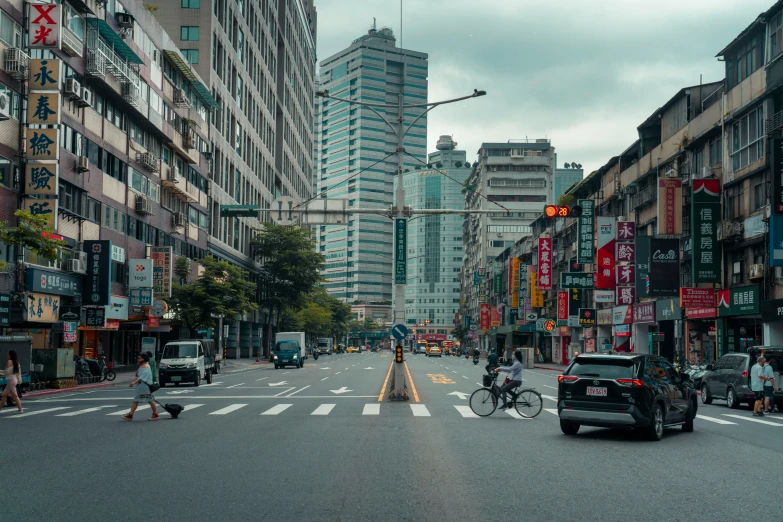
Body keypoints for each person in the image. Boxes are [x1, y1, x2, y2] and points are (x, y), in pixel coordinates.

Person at [121, 353, 159, 421]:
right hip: (141, 387)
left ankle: (155, 414)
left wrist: (134, 382)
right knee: (137, 400)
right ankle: (130, 415)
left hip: (145, 387)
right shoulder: (143, 365)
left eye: (139, 358)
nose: (138, 359)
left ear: (143, 359)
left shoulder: (146, 366)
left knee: (149, 400)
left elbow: (142, 377)